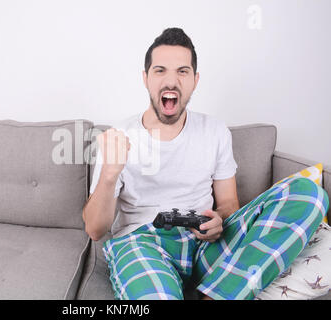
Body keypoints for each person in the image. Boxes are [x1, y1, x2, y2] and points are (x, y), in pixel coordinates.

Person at [82, 27, 329, 300]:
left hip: (205, 245)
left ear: (195, 80)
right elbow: (95, 229)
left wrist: (218, 220)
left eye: (182, 71)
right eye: (160, 70)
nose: (171, 81)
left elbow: (228, 205)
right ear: (146, 78)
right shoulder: (119, 137)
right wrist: (108, 175)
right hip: (143, 243)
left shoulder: (215, 131)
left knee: (310, 194)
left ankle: (217, 294)